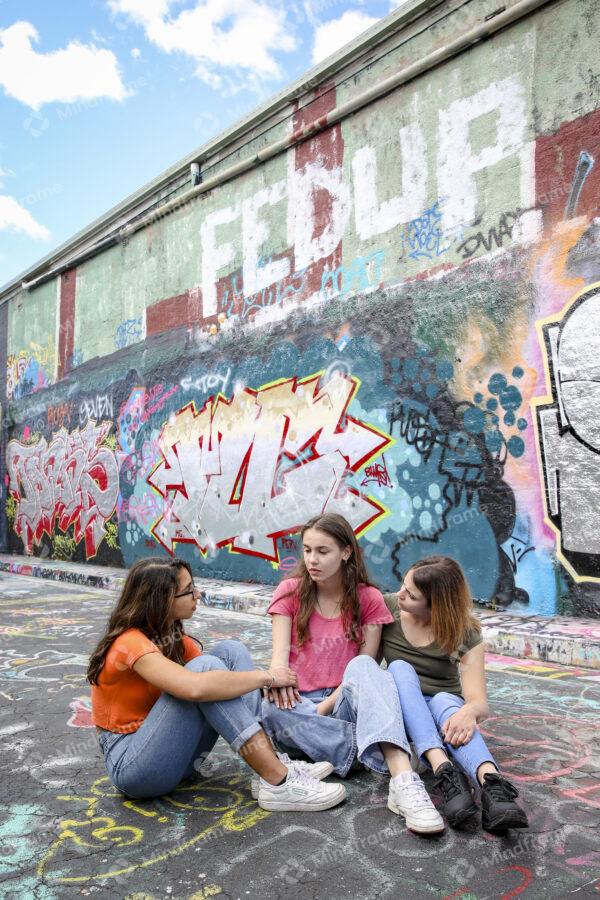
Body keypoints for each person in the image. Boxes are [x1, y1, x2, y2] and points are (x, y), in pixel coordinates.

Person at [88, 556, 346, 812]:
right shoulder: (129, 643)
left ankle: (270, 762)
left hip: (174, 758)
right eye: (188, 591)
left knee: (230, 652)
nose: (197, 594)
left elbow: (218, 687)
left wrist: (254, 678)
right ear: (162, 600)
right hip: (134, 767)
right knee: (205, 672)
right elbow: (195, 687)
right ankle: (278, 781)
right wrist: (266, 677)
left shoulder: (172, 637)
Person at [261, 513, 445, 834]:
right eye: (307, 550)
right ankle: (374, 750)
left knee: (365, 667)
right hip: (299, 710)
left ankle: (403, 783)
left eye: (323, 551)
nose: (312, 559)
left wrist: (326, 706)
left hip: (342, 706)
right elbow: (279, 664)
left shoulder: (368, 599)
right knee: (262, 703)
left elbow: (364, 666)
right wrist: (281, 681)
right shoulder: (290, 592)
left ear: (346, 552)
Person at [382, 555, 529, 833]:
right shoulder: (388, 610)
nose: (400, 594)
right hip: (402, 708)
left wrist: (468, 712)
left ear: (435, 605)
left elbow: (479, 702)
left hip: (441, 713)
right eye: (403, 585)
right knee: (400, 669)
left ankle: (493, 787)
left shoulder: (463, 630)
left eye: (411, 595)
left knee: (448, 702)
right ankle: (444, 771)